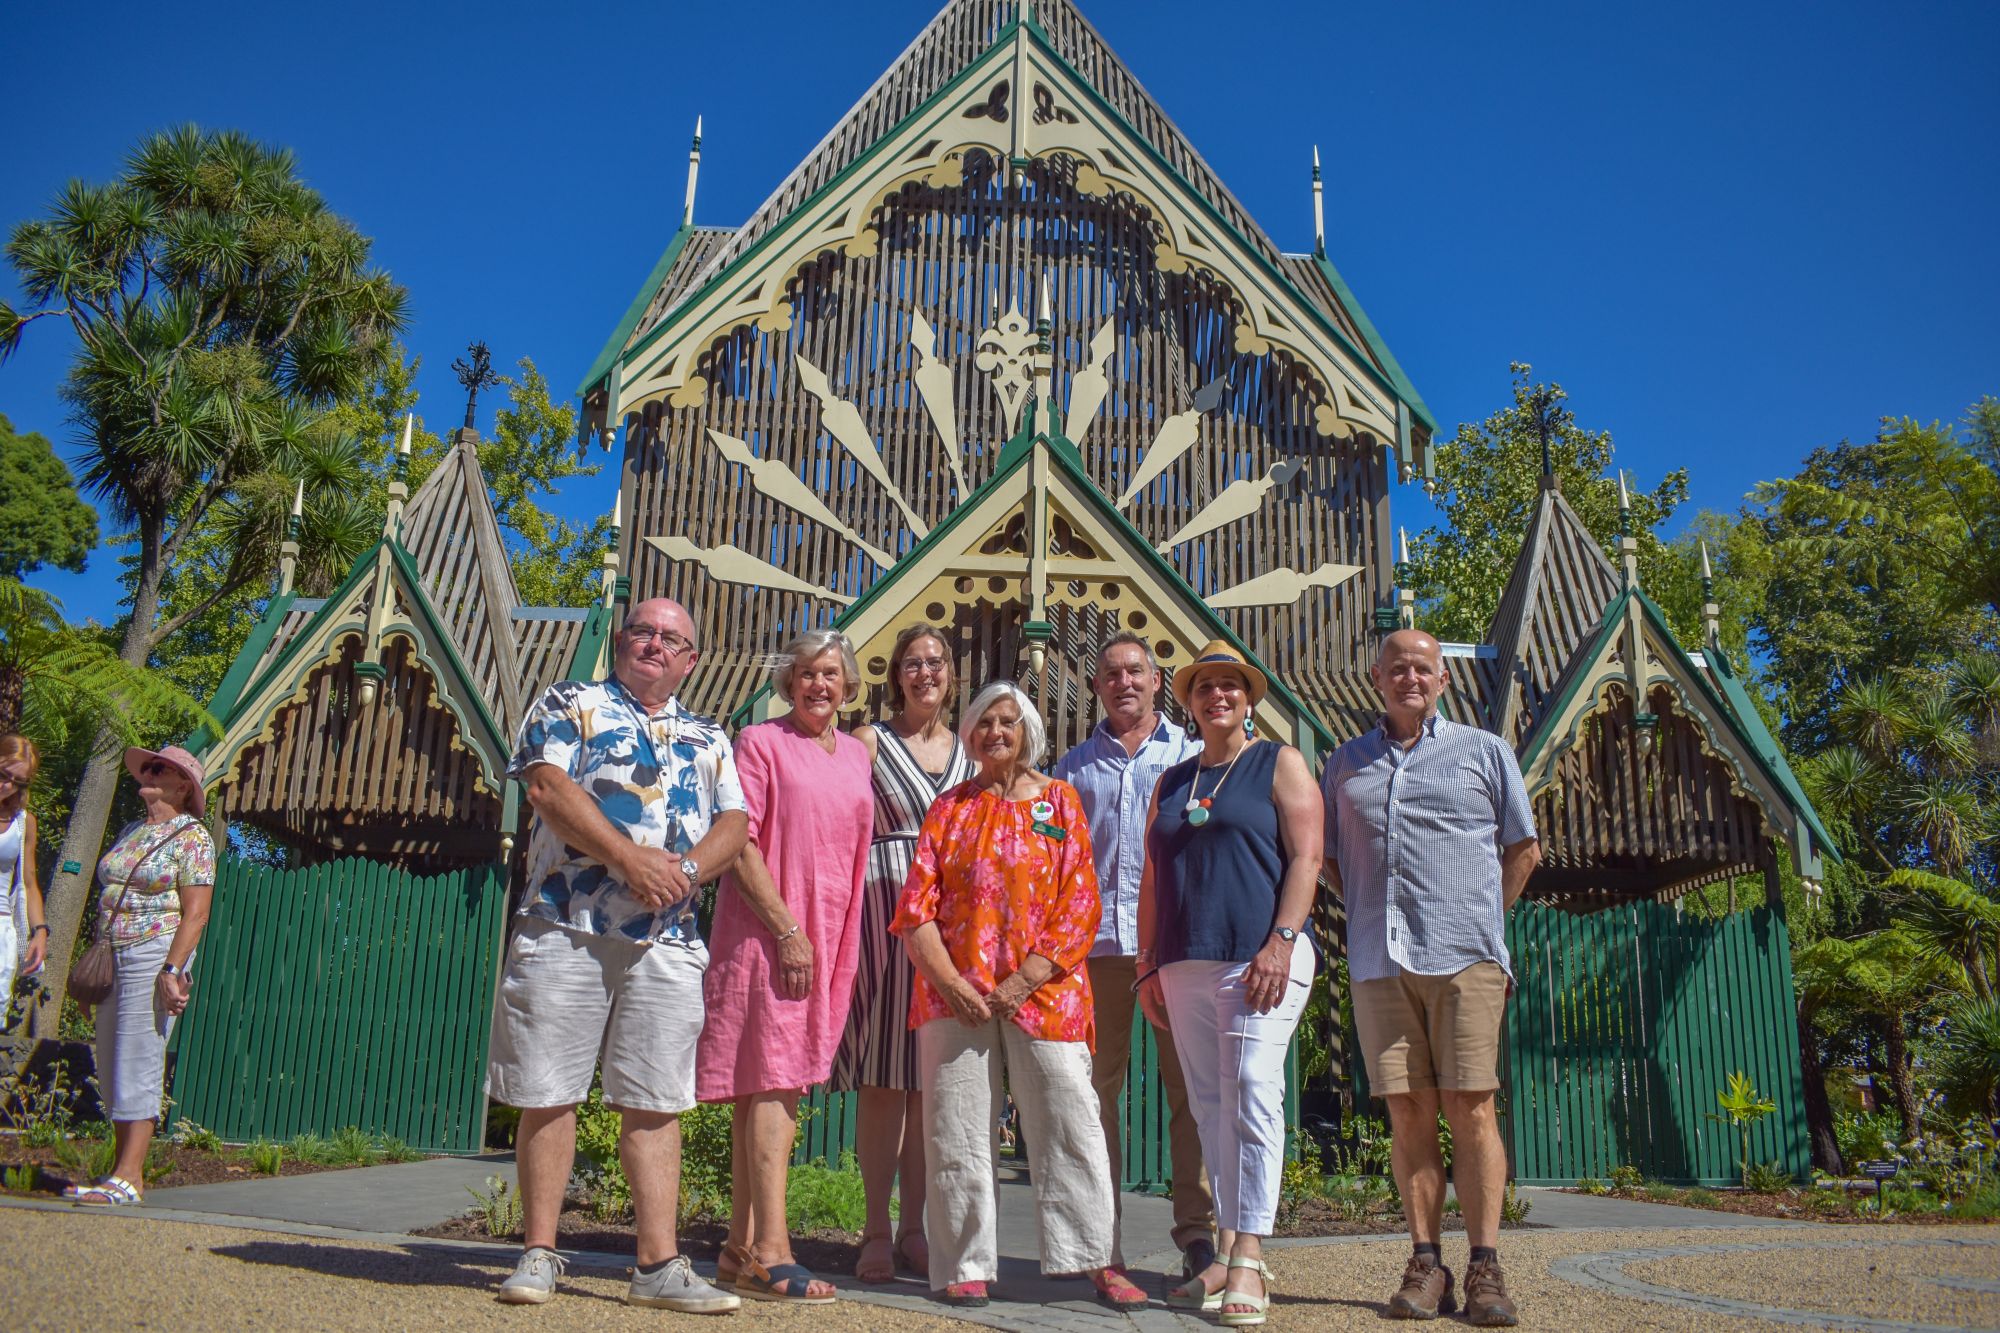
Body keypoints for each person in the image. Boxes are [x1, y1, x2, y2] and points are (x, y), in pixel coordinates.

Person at [487, 598, 749, 1312]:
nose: (656, 644)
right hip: (566, 919)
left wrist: (686, 872)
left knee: (656, 1097)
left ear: (690, 659)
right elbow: (546, 785)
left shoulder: (709, 734)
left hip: (668, 940)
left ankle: (657, 1265)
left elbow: (736, 822)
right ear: (621, 639)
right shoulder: (571, 701)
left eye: (673, 637)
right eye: (644, 631)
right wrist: (629, 858)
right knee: (549, 1087)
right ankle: (538, 1251)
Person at [891, 681, 1146, 1311]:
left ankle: (1098, 1257)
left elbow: (1080, 902)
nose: (996, 733)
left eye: (1008, 722)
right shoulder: (948, 809)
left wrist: (1022, 981)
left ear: (1027, 731)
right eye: (984, 723)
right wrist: (954, 984)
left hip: (1046, 993)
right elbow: (915, 910)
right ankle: (965, 1264)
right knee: (957, 1130)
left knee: (1071, 1121)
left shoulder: (1060, 803)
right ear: (971, 736)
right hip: (955, 998)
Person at [1321, 629, 1539, 1327]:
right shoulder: (1344, 763)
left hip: (1465, 956)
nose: (1409, 677)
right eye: (1397, 667)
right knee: (1407, 1111)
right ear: (1377, 677)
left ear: (1442, 680)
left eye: (1423, 668)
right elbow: (1329, 857)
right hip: (1379, 960)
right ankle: (1425, 1262)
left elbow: (1524, 848)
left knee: (1470, 1106)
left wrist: (1483, 927)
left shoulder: (1484, 752)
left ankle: (1484, 1265)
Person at [1136, 641, 1323, 1328]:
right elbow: (1154, 875)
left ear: (1249, 698)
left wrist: (1283, 938)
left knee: (1250, 1090)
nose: (1218, 696)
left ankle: (1249, 1256)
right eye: (1205, 686)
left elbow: (1308, 853)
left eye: (1230, 686)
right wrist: (1146, 961)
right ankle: (1221, 1249)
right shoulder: (1174, 780)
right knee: (1211, 1105)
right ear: (1189, 700)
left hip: (1259, 955)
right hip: (1184, 959)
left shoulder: (1279, 762)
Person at [696, 630, 873, 1303]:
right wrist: (789, 932)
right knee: (773, 1080)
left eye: (830, 673)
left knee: (772, 1084)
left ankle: (740, 1246)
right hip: (774, 931)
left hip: (829, 929)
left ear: (848, 684)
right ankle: (772, 1248)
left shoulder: (857, 753)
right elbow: (740, 844)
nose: (818, 684)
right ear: (787, 681)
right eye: (806, 672)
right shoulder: (760, 742)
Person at [1050, 633, 1215, 1279]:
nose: (1124, 682)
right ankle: (1101, 1241)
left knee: (1192, 1091)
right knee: (1094, 1096)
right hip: (1096, 952)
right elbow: (1056, 860)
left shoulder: (1195, 756)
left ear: (1156, 681)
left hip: (1175, 948)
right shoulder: (1072, 768)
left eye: (1135, 671)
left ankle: (1197, 1236)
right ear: (1097, 686)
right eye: (1111, 673)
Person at [829, 623, 972, 1284]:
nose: (924, 673)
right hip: (885, 910)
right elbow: (837, 821)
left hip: (955, 925)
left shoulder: (974, 749)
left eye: (934, 661)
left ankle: (917, 1227)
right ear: (897, 676)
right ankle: (876, 1229)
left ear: (950, 671)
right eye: (912, 663)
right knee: (885, 1079)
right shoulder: (870, 742)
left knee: (930, 1083)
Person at [65, 744, 216, 1207]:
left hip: (154, 951)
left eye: (159, 768)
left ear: (183, 785)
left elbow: (197, 913)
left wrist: (172, 969)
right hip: (112, 951)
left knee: (139, 1053)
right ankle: (117, 1170)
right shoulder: (132, 830)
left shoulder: (194, 838)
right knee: (110, 1058)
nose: (148, 773)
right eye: (147, 766)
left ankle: (131, 1177)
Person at [0, 735, 50, 1020]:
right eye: (2, 774)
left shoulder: (23, 822)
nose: (6, 786)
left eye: (17, 782)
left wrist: (40, 932)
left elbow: (29, 882)